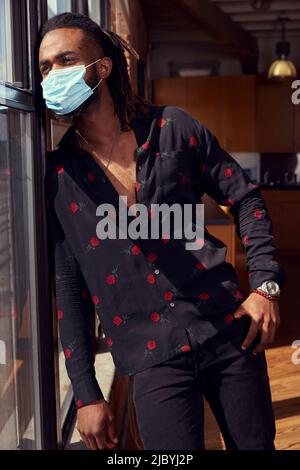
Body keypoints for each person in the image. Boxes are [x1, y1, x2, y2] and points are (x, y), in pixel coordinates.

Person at [38, 12, 287, 451]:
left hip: (228, 329)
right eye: (45, 68)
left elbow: (246, 198)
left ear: (102, 67)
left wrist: (265, 285)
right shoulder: (60, 175)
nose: (54, 74)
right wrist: (86, 391)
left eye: (65, 60)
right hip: (149, 357)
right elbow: (69, 284)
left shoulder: (174, 128)